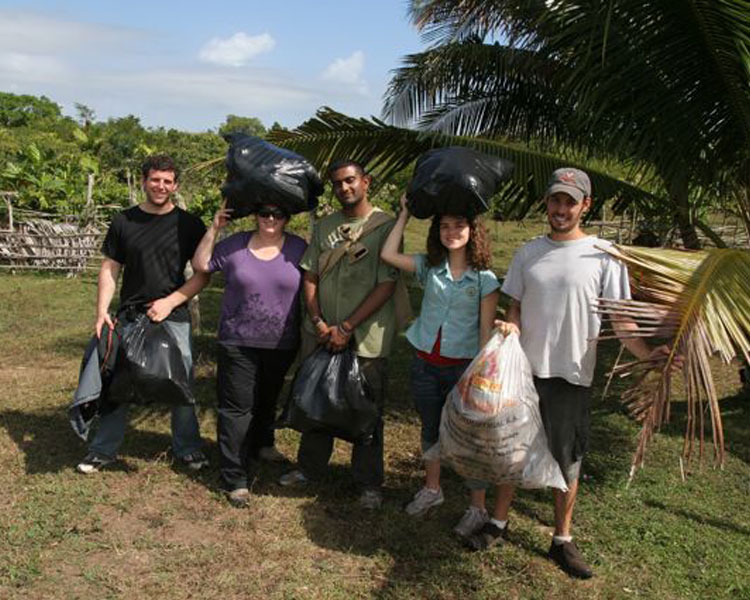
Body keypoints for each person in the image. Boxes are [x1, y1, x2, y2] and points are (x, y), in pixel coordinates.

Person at [474, 168, 675, 578]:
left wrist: (648, 354)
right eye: (555, 200)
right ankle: (497, 523)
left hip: (571, 375)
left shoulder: (604, 254)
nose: (561, 209)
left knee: (567, 459)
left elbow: (620, 321)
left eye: (570, 201)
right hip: (522, 373)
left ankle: (561, 540)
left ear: (586, 205)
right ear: (547, 203)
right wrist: (512, 324)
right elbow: (515, 306)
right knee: (511, 449)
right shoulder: (528, 252)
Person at [77, 155, 210, 474]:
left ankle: (188, 448)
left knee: (181, 381)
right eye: (155, 179)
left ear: (175, 185)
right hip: (130, 314)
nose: (161, 186)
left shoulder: (189, 224)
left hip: (173, 316)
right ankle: (102, 450)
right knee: (118, 382)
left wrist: (170, 301)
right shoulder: (124, 221)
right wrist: (101, 312)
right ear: (144, 181)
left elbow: (203, 274)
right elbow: (110, 267)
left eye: (167, 181)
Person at [279, 160, 398, 510]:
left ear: (366, 181)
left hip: (368, 338)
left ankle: (368, 483)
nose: (344, 188)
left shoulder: (385, 226)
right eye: (337, 184)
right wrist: (318, 321)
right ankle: (308, 469)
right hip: (322, 333)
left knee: (367, 409)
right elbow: (310, 275)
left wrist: (347, 327)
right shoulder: (326, 226)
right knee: (317, 399)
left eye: (350, 181)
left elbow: (386, 284)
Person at [380, 195, 499, 532]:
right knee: (430, 428)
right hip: (425, 365)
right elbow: (388, 255)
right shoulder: (430, 268)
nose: (451, 232)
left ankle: (477, 507)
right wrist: (403, 214)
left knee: (469, 436)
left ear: (472, 230)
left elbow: (485, 331)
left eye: (459, 225)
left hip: (462, 369)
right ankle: (432, 489)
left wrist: (479, 377)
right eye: (445, 226)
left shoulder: (484, 279)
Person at [193, 202, 307, 507]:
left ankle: (262, 444)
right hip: (238, 341)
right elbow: (201, 264)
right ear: (255, 215)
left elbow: (317, 281)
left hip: (282, 341)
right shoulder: (234, 245)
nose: (271, 218)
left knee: (268, 399)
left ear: (287, 217)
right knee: (237, 408)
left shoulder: (299, 248)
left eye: (278, 213)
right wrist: (214, 228)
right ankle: (235, 477)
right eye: (264, 213)